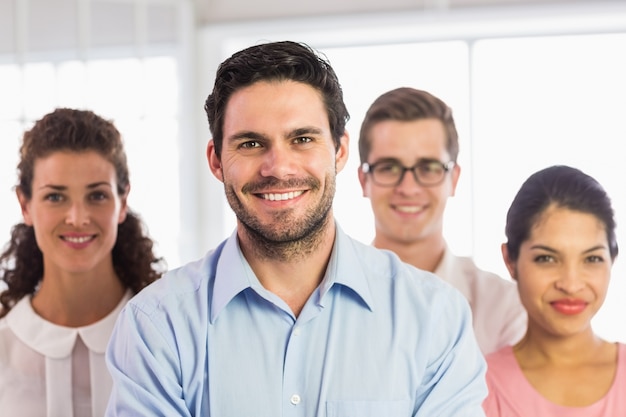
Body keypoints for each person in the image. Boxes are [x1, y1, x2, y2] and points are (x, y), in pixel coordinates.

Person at [105, 41, 487, 416]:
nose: (279, 168)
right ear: (217, 160)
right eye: (252, 143)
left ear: (339, 152)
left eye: (302, 139)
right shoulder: (157, 326)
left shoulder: (434, 318)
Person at [0, 108, 165, 417]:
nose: (77, 218)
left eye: (97, 196)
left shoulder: (168, 339)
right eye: (55, 197)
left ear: (122, 202)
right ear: (25, 205)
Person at [357, 87, 526, 355]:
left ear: (454, 179)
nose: (409, 188)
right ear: (364, 180)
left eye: (428, 168)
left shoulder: (504, 307)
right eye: (389, 168)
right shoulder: (321, 301)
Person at [483, 165, 625, 415]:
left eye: (591, 259)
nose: (570, 285)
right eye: (547, 259)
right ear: (510, 261)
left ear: (612, 260)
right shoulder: (476, 388)